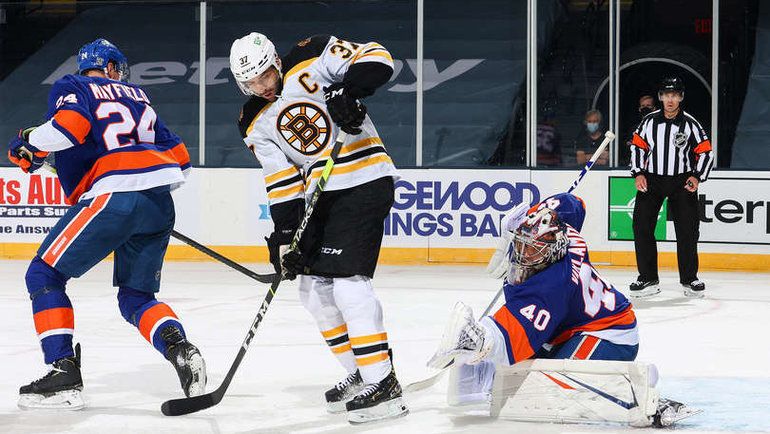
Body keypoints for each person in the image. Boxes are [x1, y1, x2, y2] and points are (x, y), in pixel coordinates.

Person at [7, 38, 205, 410]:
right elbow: (182, 161)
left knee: (43, 274)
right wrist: (43, 157)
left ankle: (62, 371)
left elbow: (68, 128)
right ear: (112, 67)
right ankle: (180, 348)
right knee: (136, 298)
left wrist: (29, 140)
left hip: (113, 198)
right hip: (158, 203)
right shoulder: (138, 96)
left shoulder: (73, 85)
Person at [229, 32, 407, 424]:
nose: (262, 86)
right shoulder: (251, 120)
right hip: (319, 196)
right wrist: (285, 237)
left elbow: (378, 56)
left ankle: (384, 383)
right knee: (312, 290)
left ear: (276, 62)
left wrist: (349, 90)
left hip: (364, 177)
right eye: (252, 83)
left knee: (348, 284)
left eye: (265, 75)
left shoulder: (311, 55)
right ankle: (361, 372)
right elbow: (281, 179)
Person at [433, 193, 695, 427]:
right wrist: (537, 213)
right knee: (526, 372)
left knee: (556, 388)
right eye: (521, 244)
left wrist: (482, 341)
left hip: (607, 331)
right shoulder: (565, 234)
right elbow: (574, 203)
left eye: (532, 250)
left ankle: (635, 385)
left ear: (551, 251)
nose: (523, 254)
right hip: (569, 327)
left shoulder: (553, 283)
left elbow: (513, 334)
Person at [629, 77, 713, 298]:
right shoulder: (648, 121)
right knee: (641, 227)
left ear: (681, 97)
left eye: (674, 95)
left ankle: (690, 279)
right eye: (666, 95)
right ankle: (648, 278)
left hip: (681, 182)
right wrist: (638, 172)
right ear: (660, 97)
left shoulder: (691, 123)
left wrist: (697, 176)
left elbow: (706, 152)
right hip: (652, 181)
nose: (670, 99)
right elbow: (637, 147)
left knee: (687, 231)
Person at [620, 94, 657, 166]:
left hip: (654, 166)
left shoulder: (660, 127)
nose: (645, 108)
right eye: (643, 106)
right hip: (635, 165)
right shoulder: (634, 129)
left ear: (654, 108)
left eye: (648, 105)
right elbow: (627, 146)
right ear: (639, 109)